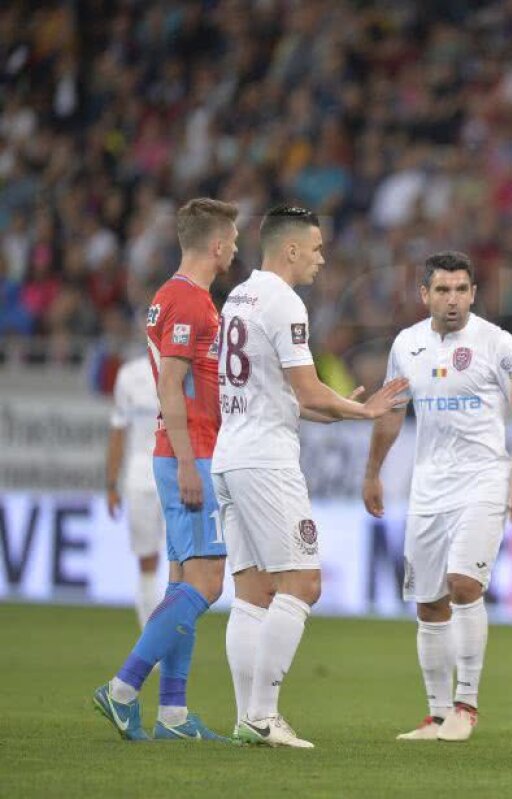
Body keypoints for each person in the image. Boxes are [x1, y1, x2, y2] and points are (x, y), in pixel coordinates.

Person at [213, 205, 406, 748]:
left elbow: (293, 399)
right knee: (303, 583)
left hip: (231, 455)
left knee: (252, 593)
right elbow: (306, 391)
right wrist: (363, 412)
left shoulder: (239, 296)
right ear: (291, 248)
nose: (322, 259)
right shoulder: (284, 302)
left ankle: (245, 716)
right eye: (317, 248)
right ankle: (264, 714)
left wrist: (336, 406)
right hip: (266, 462)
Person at [92, 198, 241, 743]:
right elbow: (170, 387)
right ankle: (123, 688)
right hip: (191, 451)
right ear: (218, 244)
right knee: (206, 583)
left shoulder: (175, 297)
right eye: (234, 239)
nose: (237, 248)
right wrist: (186, 461)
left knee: (181, 581)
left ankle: (173, 714)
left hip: (189, 449)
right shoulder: (189, 302)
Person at [361, 251, 512, 743]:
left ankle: (466, 707)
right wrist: (372, 472)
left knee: (463, 585)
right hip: (428, 485)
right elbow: (391, 409)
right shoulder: (407, 344)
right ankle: (435, 716)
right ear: (424, 294)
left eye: (461, 290)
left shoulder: (498, 344)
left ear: (474, 293)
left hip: (484, 479)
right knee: (428, 602)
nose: (452, 300)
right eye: (442, 290)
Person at [105, 351, 166, 628]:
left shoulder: (189, 369)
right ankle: (149, 636)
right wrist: (111, 484)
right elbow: (118, 430)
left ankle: (174, 635)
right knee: (147, 558)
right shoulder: (129, 375)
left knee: (186, 563)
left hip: (178, 476)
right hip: (140, 477)